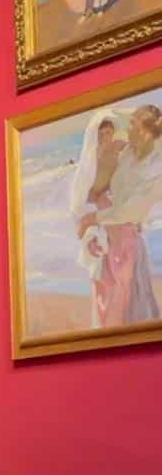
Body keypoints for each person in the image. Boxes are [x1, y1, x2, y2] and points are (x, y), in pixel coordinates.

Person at [77, 104, 162, 327]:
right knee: (105, 299)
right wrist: (93, 230)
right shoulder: (125, 154)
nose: (127, 128)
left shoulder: (156, 168)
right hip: (110, 241)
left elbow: (130, 211)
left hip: (128, 244)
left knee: (128, 309)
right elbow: (98, 189)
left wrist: (92, 220)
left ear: (144, 131)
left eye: (132, 124)